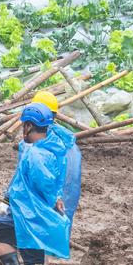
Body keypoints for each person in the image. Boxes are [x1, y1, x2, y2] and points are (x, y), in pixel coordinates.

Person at [0, 102, 71, 265]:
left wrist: (53, 199)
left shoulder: (36, 154)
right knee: (2, 234)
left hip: (31, 210)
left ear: (28, 126)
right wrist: (8, 199)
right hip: (21, 206)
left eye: (23, 125)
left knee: (33, 256)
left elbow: (44, 182)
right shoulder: (49, 146)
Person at [31, 91, 82, 223]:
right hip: (66, 203)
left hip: (48, 201)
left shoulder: (43, 141)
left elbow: (41, 179)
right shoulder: (68, 141)